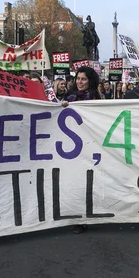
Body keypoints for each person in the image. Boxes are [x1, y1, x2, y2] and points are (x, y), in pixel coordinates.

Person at [61, 66, 101, 234]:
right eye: (78, 78)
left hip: (89, 146)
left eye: (83, 79)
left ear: (90, 81)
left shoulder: (95, 98)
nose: (80, 82)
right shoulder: (68, 97)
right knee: (74, 183)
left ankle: (85, 216)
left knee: (87, 183)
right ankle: (77, 216)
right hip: (71, 149)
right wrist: (61, 106)